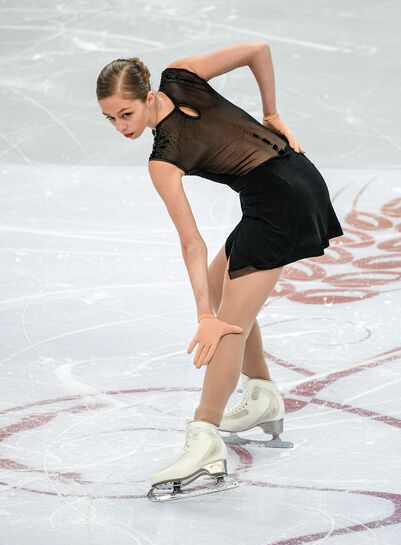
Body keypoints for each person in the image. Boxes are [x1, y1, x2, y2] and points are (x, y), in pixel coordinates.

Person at [96, 42, 344, 501]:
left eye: (125, 115)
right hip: (293, 180)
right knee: (217, 288)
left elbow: (192, 241)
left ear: (148, 96)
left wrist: (273, 114)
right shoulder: (181, 79)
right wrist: (202, 308)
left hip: (279, 206)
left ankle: (204, 434)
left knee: (228, 322)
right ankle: (263, 394)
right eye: (110, 119)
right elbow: (259, 50)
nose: (120, 128)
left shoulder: (165, 153)